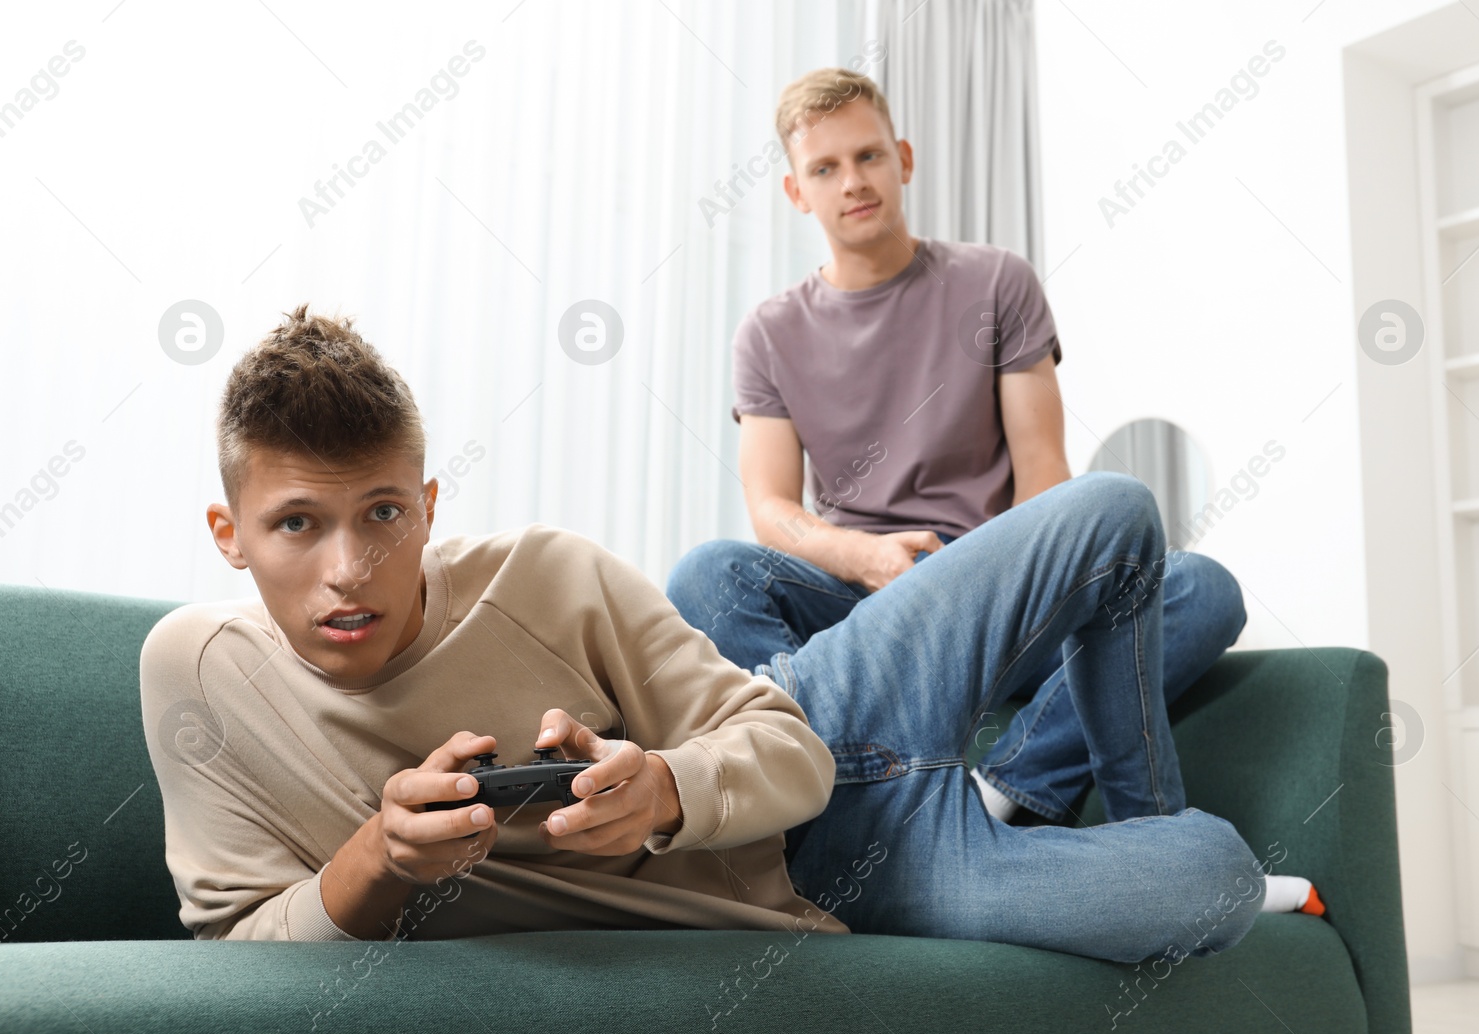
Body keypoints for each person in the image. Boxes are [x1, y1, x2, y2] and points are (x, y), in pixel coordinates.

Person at [140, 305, 1275, 963]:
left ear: (428, 507)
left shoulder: (543, 571)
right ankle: (995, 789)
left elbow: (784, 742)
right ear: (228, 533)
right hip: (836, 886)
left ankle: (997, 770)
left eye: (383, 514)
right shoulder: (197, 673)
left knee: (1128, 524)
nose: (350, 569)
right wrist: (376, 859)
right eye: (298, 524)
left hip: (824, 716)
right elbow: (239, 949)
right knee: (1214, 878)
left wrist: (666, 789)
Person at [666, 67, 1247, 832]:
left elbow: (1045, 474)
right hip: (861, 600)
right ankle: (846, 806)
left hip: (1004, 593)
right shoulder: (769, 334)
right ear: (796, 192)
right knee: (707, 574)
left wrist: (976, 582)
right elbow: (771, 507)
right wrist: (868, 559)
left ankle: (1006, 790)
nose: (853, 181)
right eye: (825, 168)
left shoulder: (997, 281)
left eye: (869, 156)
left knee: (1200, 587)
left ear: (904, 158)